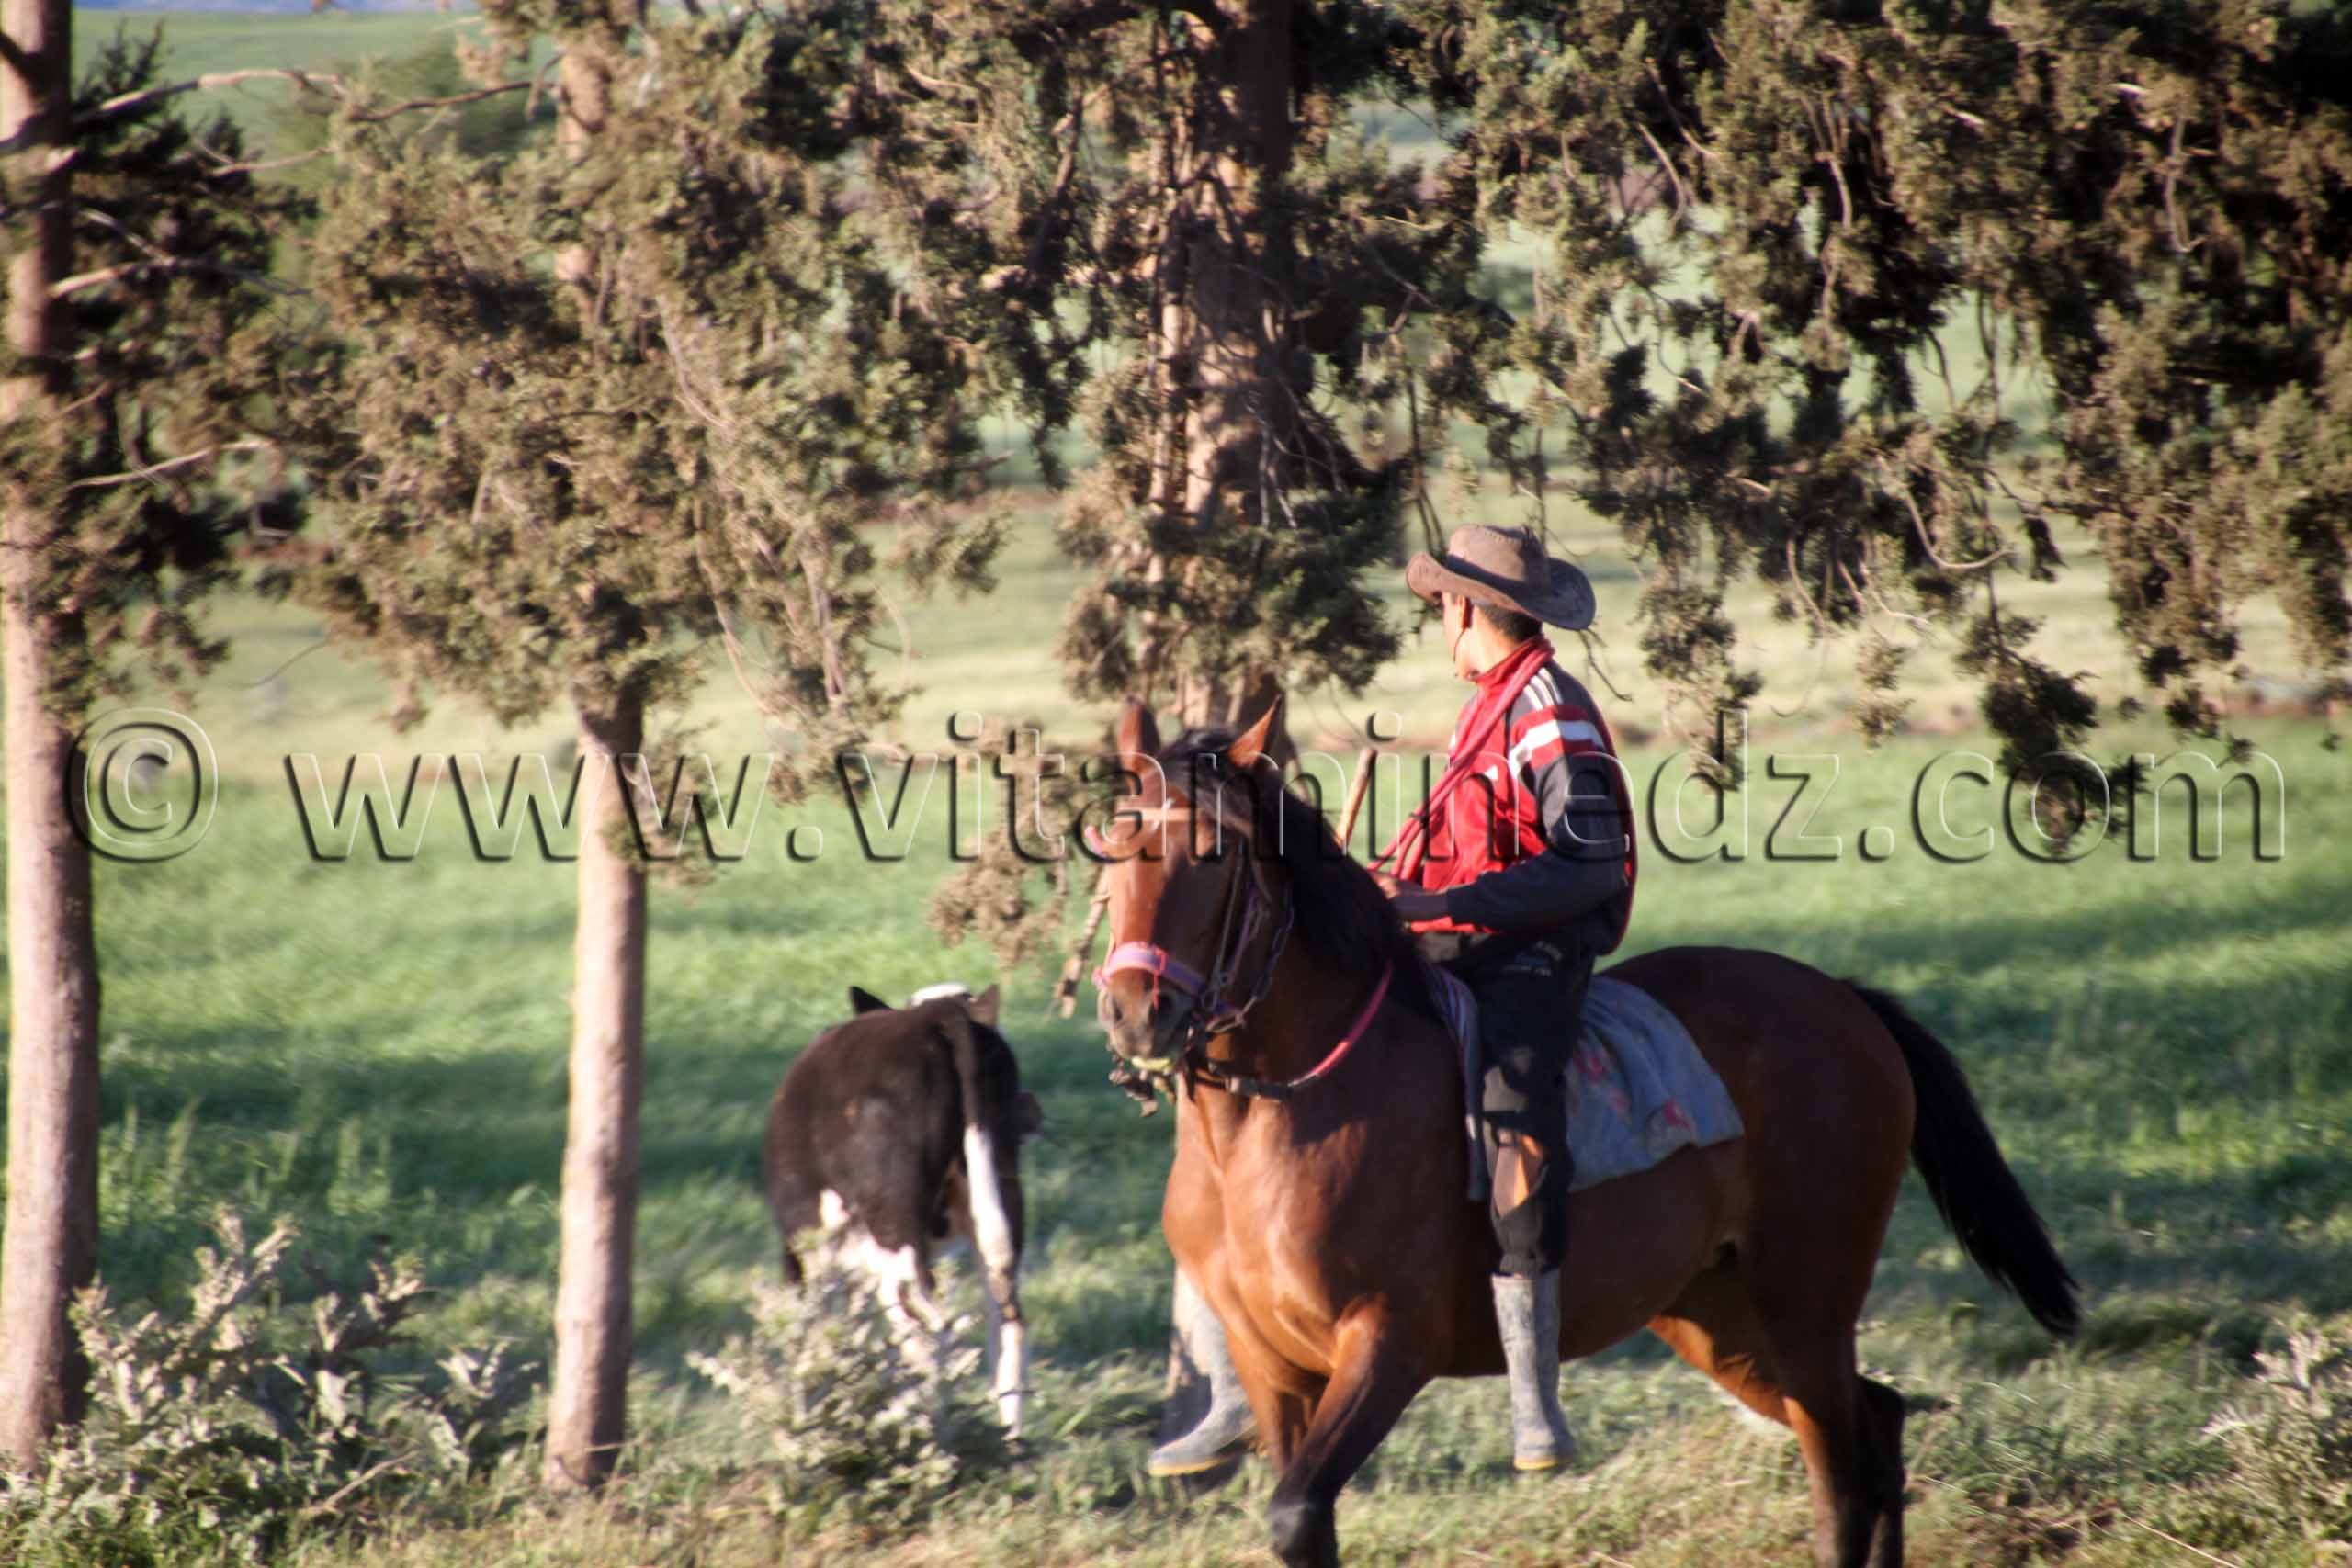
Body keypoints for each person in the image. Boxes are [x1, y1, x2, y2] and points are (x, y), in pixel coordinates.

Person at [1148, 524, 1635, 1478]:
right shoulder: (1490, 705)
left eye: (1440, 608)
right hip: (1457, 945)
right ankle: (1238, 1381)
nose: (1436, 623)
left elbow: (1589, 864)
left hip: (1528, 962)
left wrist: (1444, 904)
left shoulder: (1548, 711)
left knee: (1513, 1114)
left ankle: (1536, 1402)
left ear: (1464, 608)